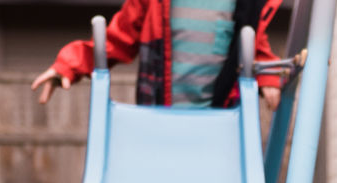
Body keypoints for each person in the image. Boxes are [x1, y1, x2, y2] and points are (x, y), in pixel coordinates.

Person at [31, 0, 285, 111]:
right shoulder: (152, 2)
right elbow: (117, 39)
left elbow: (252, 42)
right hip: (159, 122)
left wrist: (267, 77)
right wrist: (70, 64)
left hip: (218, 124)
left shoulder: (243, 3)